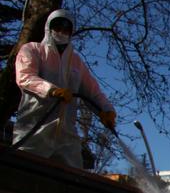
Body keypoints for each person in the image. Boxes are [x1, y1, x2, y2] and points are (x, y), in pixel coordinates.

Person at [13, 9, 116, 168]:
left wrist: (106, 109)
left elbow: (93, 91)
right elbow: (25, 76)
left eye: (66, 29)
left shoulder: (76, 62)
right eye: (57, 28)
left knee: (74, 180)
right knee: (24, 174)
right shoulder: (32, 50)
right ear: (49, 28)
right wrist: (51, 90)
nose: (61, 32)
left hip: (66, 136)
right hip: (34, 129)